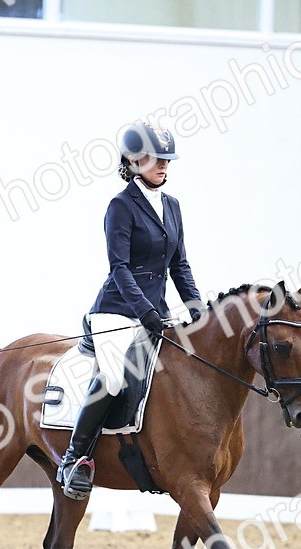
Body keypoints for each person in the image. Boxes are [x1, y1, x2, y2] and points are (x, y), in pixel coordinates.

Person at [57, 121, 205, 500]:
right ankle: (74, 459)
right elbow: (119, 268)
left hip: (154, 311)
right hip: (117, 311)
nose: (164, 166)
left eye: (167, 160)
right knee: (113, 375)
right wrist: (145, 311)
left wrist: (196, 309)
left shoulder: (173, 207)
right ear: (134, 160)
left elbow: (180, 266)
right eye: (157, 159)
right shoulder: (120, 207)